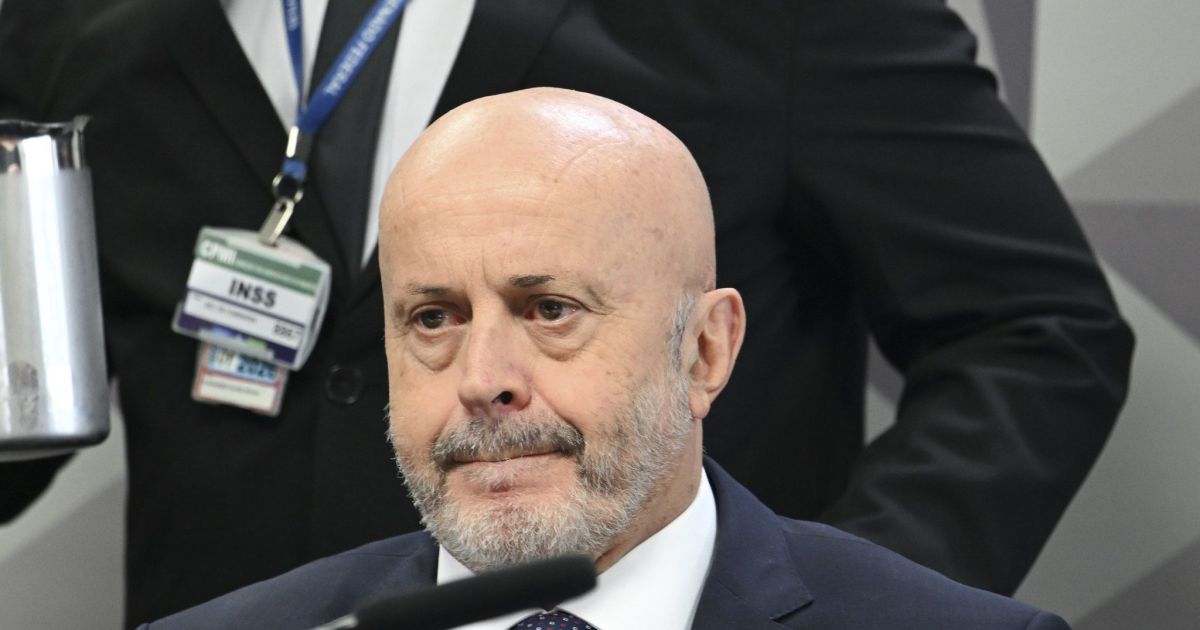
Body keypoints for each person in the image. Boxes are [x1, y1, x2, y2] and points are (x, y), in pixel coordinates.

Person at [2, 0, 1133, 624]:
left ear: (711, 345)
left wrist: (820, 596)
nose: (482, 370)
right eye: (433, 319)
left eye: (549, 308)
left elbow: (1033, 325)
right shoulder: (62, 30)